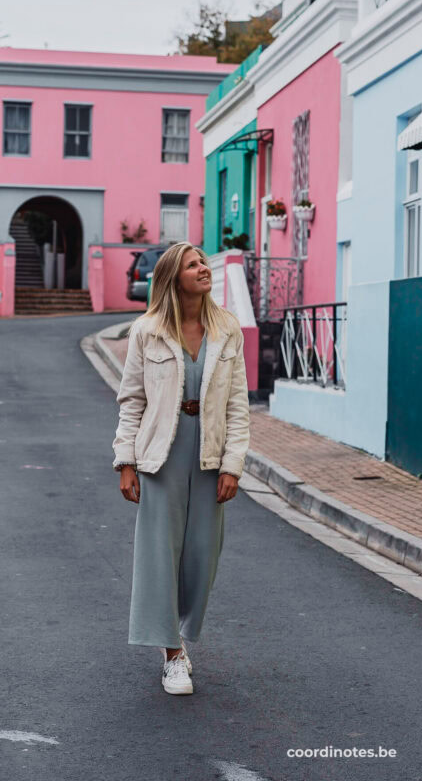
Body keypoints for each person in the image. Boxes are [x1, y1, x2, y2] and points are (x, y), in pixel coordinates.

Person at [112, 242, 250, 695]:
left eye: (203, 262)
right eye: (193, 265)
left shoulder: (227, 329)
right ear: (174, 277)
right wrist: (126, 461)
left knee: (201, 555)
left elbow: (237, 405)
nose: (203, 268)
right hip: (161, 455)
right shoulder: (147, 331)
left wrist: (233, 464)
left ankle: (181, 634)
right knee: (159, 555)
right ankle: (171, 652)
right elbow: (132, 401)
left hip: (209, 452)